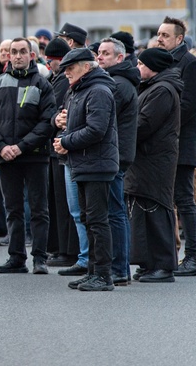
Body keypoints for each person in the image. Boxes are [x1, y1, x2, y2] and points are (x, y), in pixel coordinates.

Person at [0, 38, 56, 274]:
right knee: (12, 208)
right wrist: (1, 146)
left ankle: (40, 258)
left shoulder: (43, 85)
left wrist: (21, 146)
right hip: (6, 156)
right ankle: (16, 257)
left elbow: (47, 123)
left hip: (34, 155)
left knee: (38, 209)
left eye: (23, 52)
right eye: (14, 52)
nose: (17, 56)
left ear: (32, 55)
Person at [53, 48, 119, 291]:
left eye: (71, 68)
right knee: (89, 220)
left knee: (98, 221)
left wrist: (66, 142)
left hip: (97, 164)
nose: (67, 73)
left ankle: (103, 275)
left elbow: (96, 129)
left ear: (87, 67)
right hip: (84, 163)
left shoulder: (98, 90)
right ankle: (93, 271)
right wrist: (58, 125)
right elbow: (69, 120)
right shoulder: (78, 90)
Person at [156, 17, 196, 276]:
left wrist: (161, 123)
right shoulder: (162, 63)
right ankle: (169, 255)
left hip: (183, 143)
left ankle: (193, 258)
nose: (159, 39)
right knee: (169, 201)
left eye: (165, 35)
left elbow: (190, 106)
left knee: (185, 200)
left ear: (179, 39)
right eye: (158, 34)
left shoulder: (191, 65)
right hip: (165, 144)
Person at [127, 48, 181, 283]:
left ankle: (163, 265)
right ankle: (149, 262)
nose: (137, 67)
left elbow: (145, 124)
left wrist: (123, 129)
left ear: (154, 67)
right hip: (145, 160)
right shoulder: (152, 87)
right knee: (143, 210)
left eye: (141, 63)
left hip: (155, 160)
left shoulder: (163, 90)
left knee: (157, 209)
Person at [96, 37, 139, 285]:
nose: (99, 57)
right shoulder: (113, 80)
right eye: (99, 53)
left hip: (116, 155)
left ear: (119, 58)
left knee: (115, 213)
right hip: (114, 153)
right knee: (113, 211)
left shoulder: (118, 84)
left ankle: (119, 268)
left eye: (106, 54)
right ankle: (115, 266)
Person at [42, 38, 77, 268]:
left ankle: (68, 250)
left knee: (66, 204)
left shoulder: (63, 81)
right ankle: (58, 247)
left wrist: (54, 118)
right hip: (54, 147)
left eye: (51, 61)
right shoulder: (55, 78)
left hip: (62, 145)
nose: (49, 65)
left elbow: (57, 107)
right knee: (57, 201)